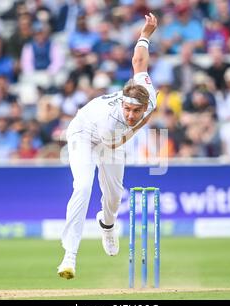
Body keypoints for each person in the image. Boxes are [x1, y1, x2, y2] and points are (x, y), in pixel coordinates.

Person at [57, 13, 158, 280]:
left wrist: (146, 34)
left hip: (112, 141)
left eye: (136, 111)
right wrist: (136, 125)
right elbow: (118, 138)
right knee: (83, 186)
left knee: (114, 195)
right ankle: (70, 255)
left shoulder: (149, 94)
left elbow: (138, 61)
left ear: (144, 104)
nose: (130, 114)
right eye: (126, 108)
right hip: (85, 133)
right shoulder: (112, 119)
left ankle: (107, 224)